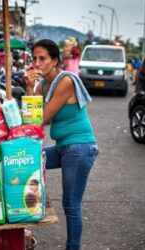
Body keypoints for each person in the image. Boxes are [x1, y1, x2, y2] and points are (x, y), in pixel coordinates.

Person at [25, 39, 99, 250]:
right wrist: (30, 86)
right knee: (32, 160)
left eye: (43, 58)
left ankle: (73, 247)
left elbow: (43, 118)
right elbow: (32, 114)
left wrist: (34, 94)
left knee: (71, 204)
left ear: (55, 60)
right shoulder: (44, 84)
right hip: (64, 148)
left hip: (79, 148)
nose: (37, 63)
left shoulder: (65, 81)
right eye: (35, 58)